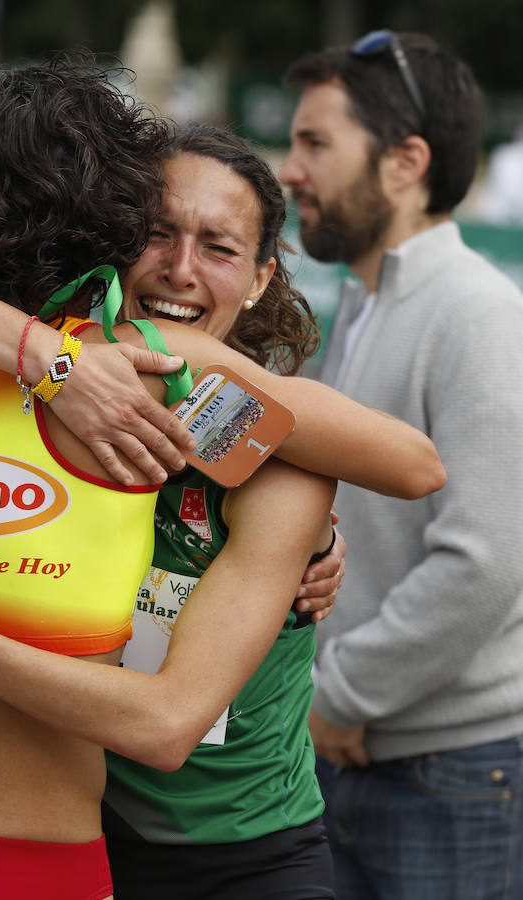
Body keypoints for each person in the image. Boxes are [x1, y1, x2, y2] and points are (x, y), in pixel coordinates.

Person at [0, 120, 445, 898]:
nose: (180, 269)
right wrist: (56, 365)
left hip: (238, 856)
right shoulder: (59, 373)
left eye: (217, 247)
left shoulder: (255, 430)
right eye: (155, 234)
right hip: (85, 826)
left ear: (258, 279)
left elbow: (418, 466)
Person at [279, 30, 523, 899]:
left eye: (316, 144)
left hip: (450, 776)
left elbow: (484, 564)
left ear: (404, 162)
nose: (289, 170)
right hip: (355, 750)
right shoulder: (359, 307)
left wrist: (337, 695)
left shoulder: (479, 315)